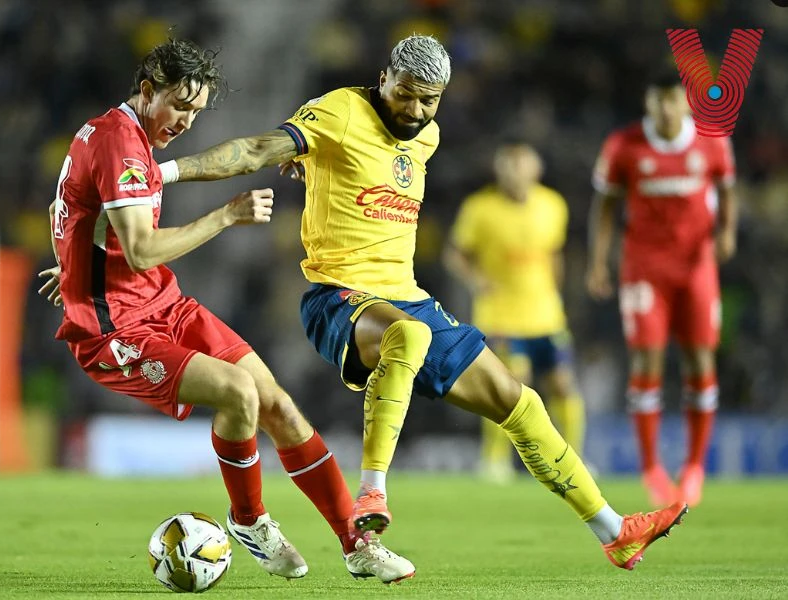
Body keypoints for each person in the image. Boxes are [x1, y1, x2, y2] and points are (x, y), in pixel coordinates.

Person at [158, 35, 686, 571]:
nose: (413, 110)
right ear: (385, 76)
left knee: (518, 401)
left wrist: (315, 167)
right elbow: (253, 150)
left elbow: (353, 169)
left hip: (410, 298)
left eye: (427, 100)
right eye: (405, 94)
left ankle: (614, 530)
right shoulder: (339, 111)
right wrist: (166, 173)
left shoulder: (427, 136)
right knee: (407, 335)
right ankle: (372, 493)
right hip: (339, 297)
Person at [37, 38, 414, 584]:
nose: (187, 122)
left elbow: (65, 205)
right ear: (147, 91)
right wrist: (226, 217)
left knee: (279, 406)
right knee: (238, 391)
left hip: (162, 303)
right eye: (181, 106)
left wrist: (72, 262)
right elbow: (141, 249)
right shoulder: (121, 144)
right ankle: (250, 521)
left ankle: (357, 544)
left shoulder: (118, 134)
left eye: (197, 111)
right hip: (115, 329)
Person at [587, 73, 737, 508]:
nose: (667, 109)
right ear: (648, 103)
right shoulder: (624, 145)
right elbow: (606, 206)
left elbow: (728, 189)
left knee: (699, 359)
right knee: (647, 359)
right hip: (644, 269)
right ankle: (652, 467)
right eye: (659, 101)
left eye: (674, 100)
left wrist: (726, 232)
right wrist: (599, 260)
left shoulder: (712, 142)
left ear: (687, 103)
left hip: (696, 269)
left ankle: (694, 466)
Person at [444, 143, 587, 484]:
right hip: (501, 316)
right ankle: (494, 461)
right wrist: (476, 281)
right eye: (509, 168)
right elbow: (456, 254)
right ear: (499, 172)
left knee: (564, 386)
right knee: (513, 387)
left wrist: (558, 296)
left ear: (535, 171)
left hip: (546, 315)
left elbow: (554, 254)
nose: (515, 175)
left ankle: (574, 459)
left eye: (521, 167)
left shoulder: (553, 205)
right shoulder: (480, 208)